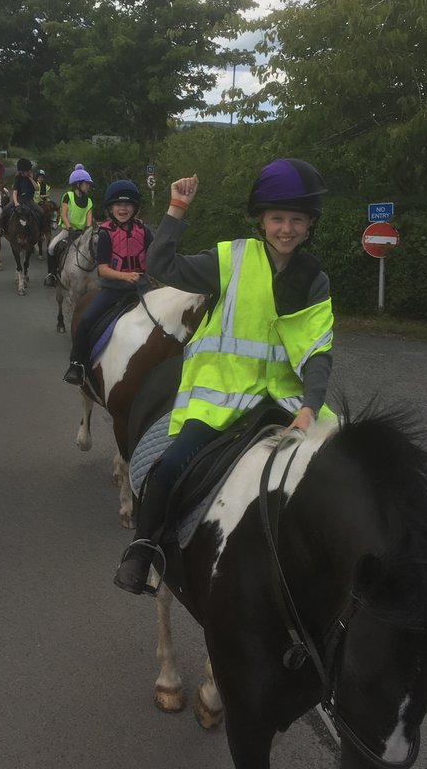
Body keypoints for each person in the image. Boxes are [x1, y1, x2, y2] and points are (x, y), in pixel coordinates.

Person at [113, 158, 334, 595]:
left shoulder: (314, 279)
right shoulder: (229, 259)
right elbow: (160, 263)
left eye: (297, 220)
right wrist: (177, 208)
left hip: (285, 398)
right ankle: (143, 548)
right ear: (261, 221)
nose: (286, 228)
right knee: (171, 464)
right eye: (277, 218)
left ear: (310, 224)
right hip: (221, 395)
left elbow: (318, 351)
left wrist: (310, 407)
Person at [63, 179, 153, 384]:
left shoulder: (143, 230)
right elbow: (103, 269)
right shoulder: (105, 233)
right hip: (114, 289)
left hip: (141, 287)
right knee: (85, 321)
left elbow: (154, 255)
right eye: (118, 205)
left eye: (128, 204)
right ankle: (76, 364)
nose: (123, 209)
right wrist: (125, 276)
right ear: (110, 208)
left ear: (135, 208)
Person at [45, 166, 93, 284]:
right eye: (86, 184)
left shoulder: (89, 201)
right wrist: (70, 228)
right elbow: (64, 215)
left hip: (83, 233)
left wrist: (87, 231)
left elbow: (89, 221)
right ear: (78, 184)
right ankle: (52, 274)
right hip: (68, 231)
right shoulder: (68, 196)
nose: (88, 186)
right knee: (51, 247)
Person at [2, 157, 43, 227]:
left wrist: (31, 179)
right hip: (19, 200)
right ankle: (2, 228)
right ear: (21, 171)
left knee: (42, 212)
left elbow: (37, 188)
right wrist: (16, 202)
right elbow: (15, 192)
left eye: (28, 171)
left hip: (29, 200)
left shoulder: (32, 178)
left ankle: (42, 230)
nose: (27, 172)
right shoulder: (18, 178)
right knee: (4, 211)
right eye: (25, 171)